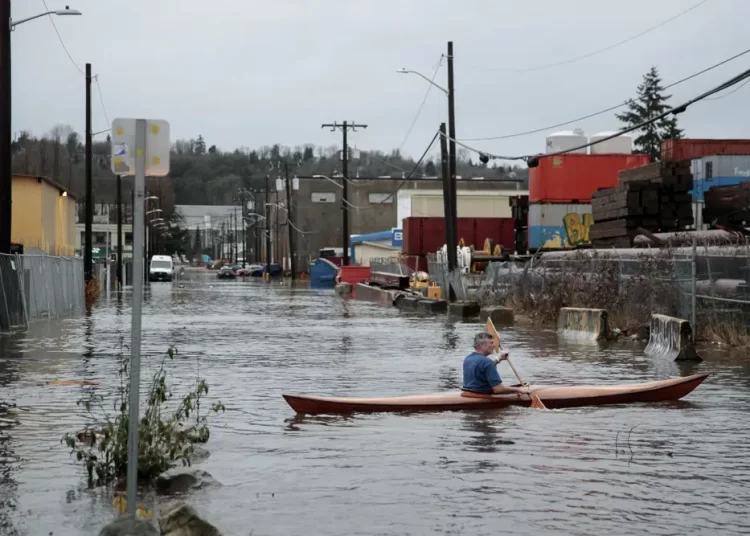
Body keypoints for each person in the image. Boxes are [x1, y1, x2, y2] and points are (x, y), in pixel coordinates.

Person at [462, 332, 529, 395]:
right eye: (491, 343)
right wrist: (519, 390)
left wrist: (498, 359)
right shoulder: (487, 362)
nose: (494, 345)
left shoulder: (468, 359)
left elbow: (483, 369)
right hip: (482, 395)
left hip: (469, 392)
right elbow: (498, 389)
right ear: (481, 345)